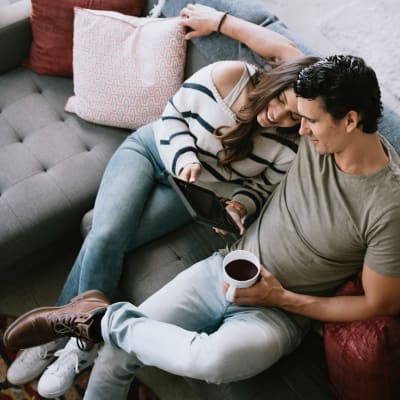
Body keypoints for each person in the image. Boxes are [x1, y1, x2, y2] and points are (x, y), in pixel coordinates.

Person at [5, 54, 400, 400]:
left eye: (308, 120)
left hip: (279, 314)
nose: (298, 129)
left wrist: (281, 298)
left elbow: (380, 304)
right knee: (117, 350)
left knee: (209, 358)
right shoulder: (320, 129)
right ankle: (92, 325)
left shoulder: (388, 207)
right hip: (225, 267)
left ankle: (97, 318)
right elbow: (288, 57)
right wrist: (223, 19)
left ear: (351, 120)